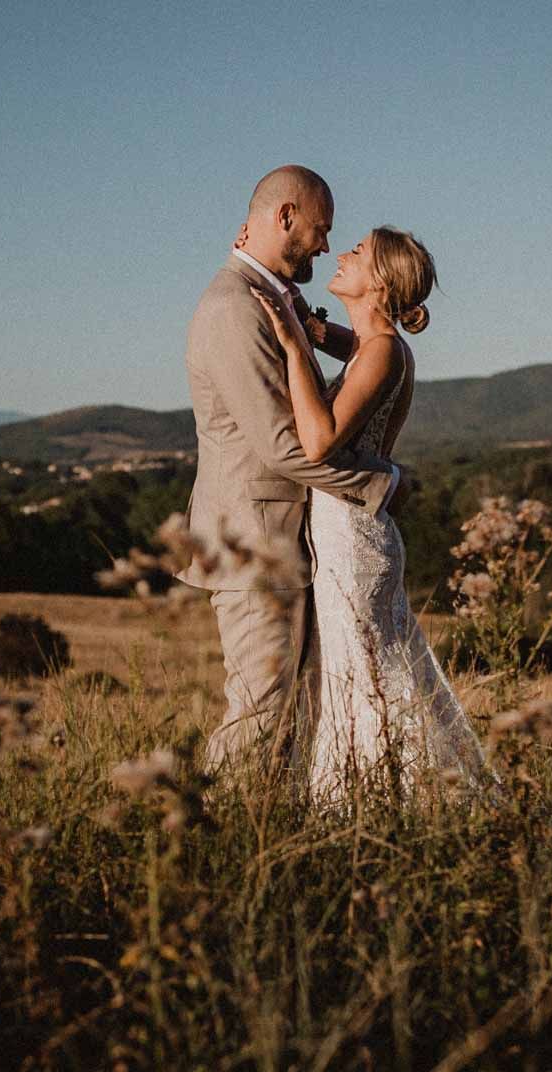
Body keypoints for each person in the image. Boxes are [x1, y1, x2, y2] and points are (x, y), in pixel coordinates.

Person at [174, 165, 413, 775]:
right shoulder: (234, 305)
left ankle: (273, 838)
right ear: (286, 217)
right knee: (260, 711)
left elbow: (369, 347)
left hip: (293, 541)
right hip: (253, 542)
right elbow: (286, 446)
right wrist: (377, 483)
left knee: (296, 715)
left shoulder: (276, 298)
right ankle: (219, 843)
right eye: (322, 228)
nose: (329, 246)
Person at [247, 225, 490, 800]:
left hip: (353, 540)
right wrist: (306, 321)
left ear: (378, 281)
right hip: (350, 532)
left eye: (357, 252)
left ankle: (395, 797)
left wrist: (288, 344)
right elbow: (340, 340)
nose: (343, 253)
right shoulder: (375, 344)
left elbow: (319, 440)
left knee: (366, 674)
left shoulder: (382, 351)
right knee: (363, 671)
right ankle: (382, 794)